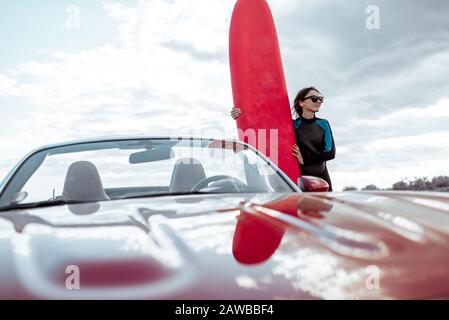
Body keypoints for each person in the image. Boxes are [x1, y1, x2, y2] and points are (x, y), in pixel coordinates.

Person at [230, 86, 335, 191]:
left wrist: (304, 160)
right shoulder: (293, 125)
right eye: (314, 98)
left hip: (323, 179)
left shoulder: (323, 124)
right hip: (300, 179)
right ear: (301, 102)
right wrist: (241, 114)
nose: (318, 102)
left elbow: (330, 153)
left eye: (320, 98)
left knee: (330, 207)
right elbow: (264, 118)